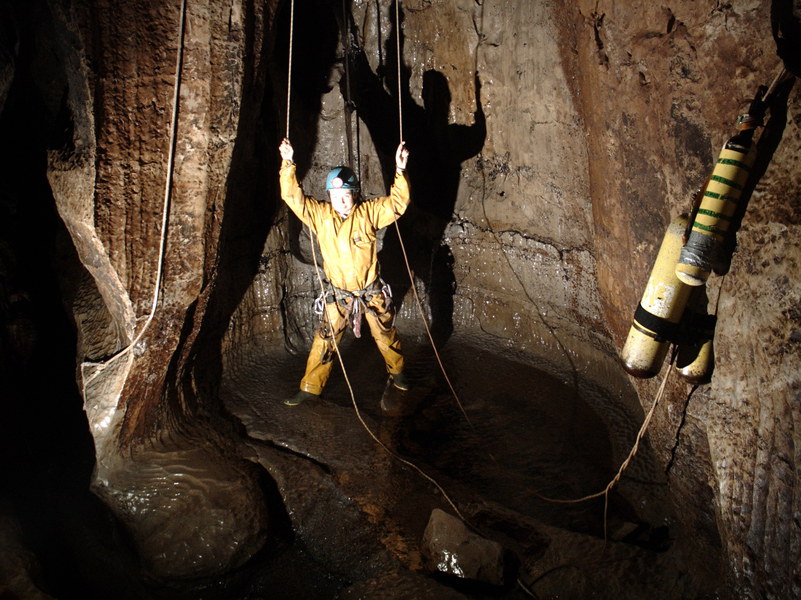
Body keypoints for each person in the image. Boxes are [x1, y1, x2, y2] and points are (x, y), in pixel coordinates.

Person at [278, 138, 411, 406]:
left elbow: (397, 204)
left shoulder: (368, 214)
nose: (340, 201)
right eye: (335, 196)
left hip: (370, 291)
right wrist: (288, 163)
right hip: (338, 295)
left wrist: (400, 171)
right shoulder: (321, 215)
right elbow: (292, 197)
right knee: (325, 340)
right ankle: (310, 387)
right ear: (329, 196)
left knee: (385, 333)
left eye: (346, 195)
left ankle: (397, 373)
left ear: (355, 194)